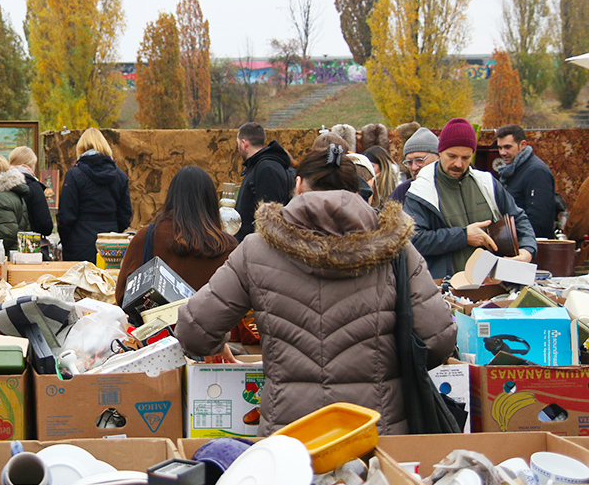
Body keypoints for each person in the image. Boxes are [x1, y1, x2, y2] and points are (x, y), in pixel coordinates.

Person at [175, 145, 456, 435]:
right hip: (375, 433)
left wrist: (215, 346)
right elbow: (439, 341)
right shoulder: (396, 249)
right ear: (356, 189)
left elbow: (194, 330)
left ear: (298, 184)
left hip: (290, 439)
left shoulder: (257, 249)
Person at [402, 118, 537, 280]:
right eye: (452, 156)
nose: (458, 164)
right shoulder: (421, 191)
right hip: (443, 288)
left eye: (465, 158)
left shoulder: (487, 183)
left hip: (493, 284)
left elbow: (519, 218)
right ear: (439, 153)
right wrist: (463, 236)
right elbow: (413, 240)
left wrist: (527, 250)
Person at [115, 166, 236, 304]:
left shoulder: (146, 237)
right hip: (210, 325)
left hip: (154, 324)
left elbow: (122, 296)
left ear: (171, 196)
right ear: (211, 201)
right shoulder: (228, 246)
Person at [57, 128, 132, 262]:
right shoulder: (120, 176)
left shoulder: (74, 175)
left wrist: (67, 241)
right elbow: (125, 215)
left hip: (79, 245)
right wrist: (113, 233)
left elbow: (66, 216)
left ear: (81, 148)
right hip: (110, 247)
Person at [234, 122, 293, 242]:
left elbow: (271, 220)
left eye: (238, 143)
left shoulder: (266, 169)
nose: (238, 148)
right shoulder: (260, 166)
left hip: (258, 249)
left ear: (244, 144)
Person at [496, 124, 556, 239]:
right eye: (500, 147)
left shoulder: (536, 172)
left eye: (507, 147)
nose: (502, 152)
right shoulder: (510, 171)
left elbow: (538, 220)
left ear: (522, 145)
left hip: (531, 246)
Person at [8, 146, 54, 238]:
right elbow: (45, 226)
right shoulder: (33, 186)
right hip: (29, 243)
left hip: (5, 242)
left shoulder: (2, 183)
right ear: (30, 165)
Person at [389, 127, 439, 204]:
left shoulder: (454, 189)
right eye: (409, 162)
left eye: (419, 160)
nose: (414, 167)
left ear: (438, 158)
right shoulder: (402, 192)